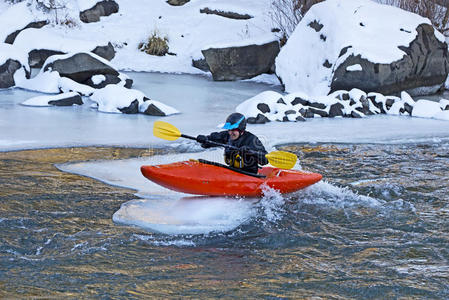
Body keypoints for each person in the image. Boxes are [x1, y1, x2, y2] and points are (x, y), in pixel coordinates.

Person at [196, 112, 268, 174]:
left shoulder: (252, 140)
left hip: (249, 175)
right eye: (229, 129)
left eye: (233, 130)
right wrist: (204, 140)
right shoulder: (226, 135)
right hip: (232, 171)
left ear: (241, 130)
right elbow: (211, 141)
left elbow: (265, 160)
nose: (230, 133)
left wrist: (250, 152)